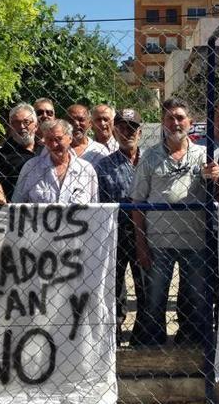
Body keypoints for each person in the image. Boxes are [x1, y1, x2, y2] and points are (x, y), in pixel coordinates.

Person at [130, 97, 219, 346]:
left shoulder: (205, 155)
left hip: (196, 242)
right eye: (170, 118)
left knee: (198, 299)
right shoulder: (150, 157)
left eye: (180, 117)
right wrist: (141, 245)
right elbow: (137, 203)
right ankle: (153, 348)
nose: (175, 122)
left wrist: (214, 177)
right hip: (158, 242)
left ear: (190, 122)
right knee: (155, 300)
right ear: (163, 122)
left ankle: (195, 346)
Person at [95, 108, 146, 343]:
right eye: (123, 128)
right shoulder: (103, 166)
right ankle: (113, 334)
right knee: (114, 287)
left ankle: (143, 334)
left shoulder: (150, 160)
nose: (128, 132)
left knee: (145, 284)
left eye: (133, 128)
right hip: (115, 233)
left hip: (145, 232)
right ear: (115, 131)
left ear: (141, 131)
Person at [12, 119, 99, 203]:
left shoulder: (86, 170)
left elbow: (95, 207)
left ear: (70, 138)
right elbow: (17, 202)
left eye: (58, 139)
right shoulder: (31, 167)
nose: (54, 144)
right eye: (49, 140)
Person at [0, 103, 42, 199]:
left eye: (26, 122)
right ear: (10, 127)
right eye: (16, 123)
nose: (22, 126)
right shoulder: (2, 157)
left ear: (36, 125)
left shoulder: (46, 151)